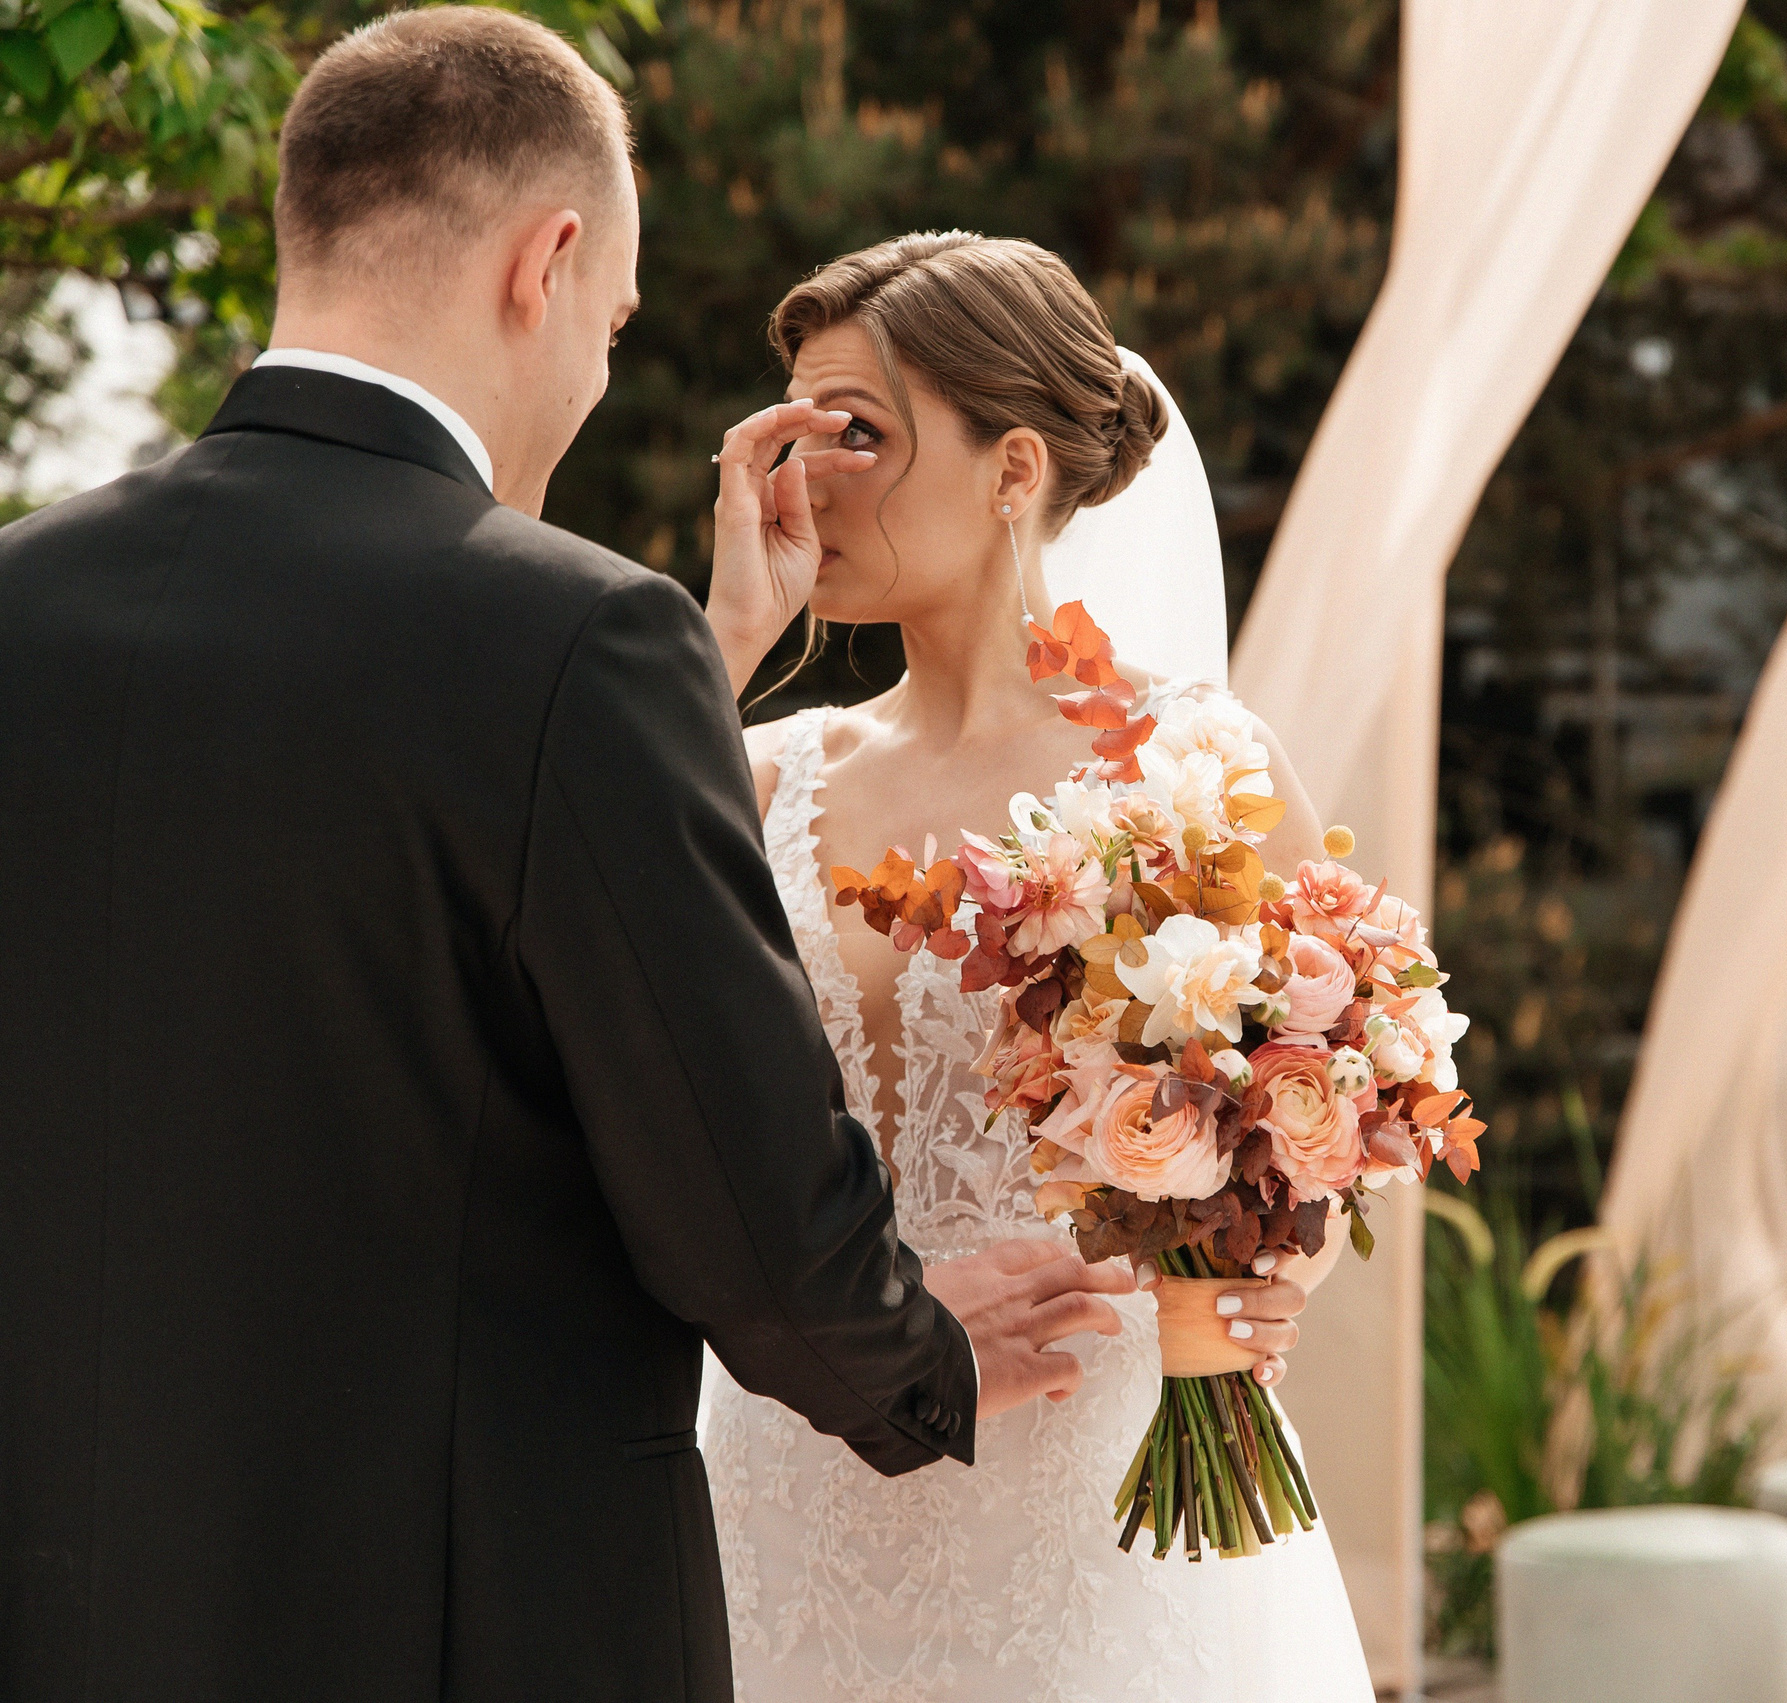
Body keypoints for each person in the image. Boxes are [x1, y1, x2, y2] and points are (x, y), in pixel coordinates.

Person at [0, 16, 1127, 1700]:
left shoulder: (24, 602)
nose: (599, 377)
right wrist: (910, 1351)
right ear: (552, 261)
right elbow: (722, 1152)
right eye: (611, 325)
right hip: (467, 1614)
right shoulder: (578, 633)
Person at [695, 231, 1374, 1701]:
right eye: (794, 435)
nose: (809, 479)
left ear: (1014, 470)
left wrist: (1279, 1266)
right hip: (789, 1489)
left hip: (1099, 1502)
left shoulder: (1194, 768)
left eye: (860, 434)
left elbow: (1336, 1087)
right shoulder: (744, 772)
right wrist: (724, 642)